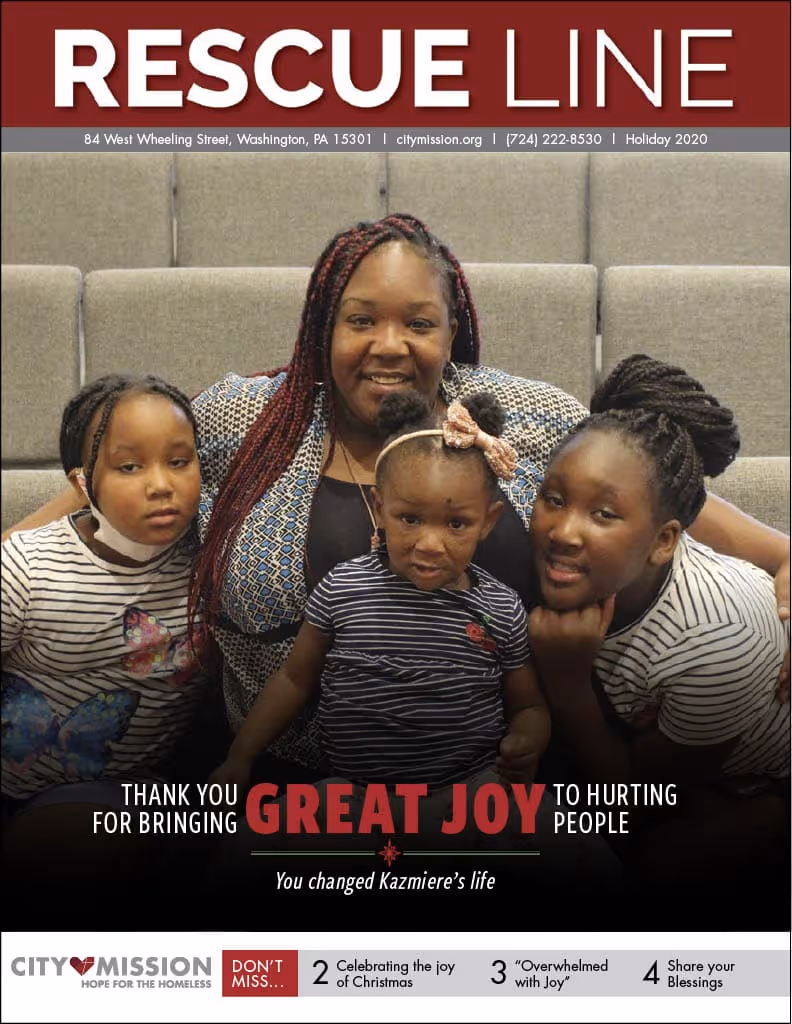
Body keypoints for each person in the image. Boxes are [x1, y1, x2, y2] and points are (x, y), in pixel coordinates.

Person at [4, 215, 790, 771]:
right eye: (360, 321)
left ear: (453, 331)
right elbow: (112, 474)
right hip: (287, 778)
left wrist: (779, 588)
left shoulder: (523, 416)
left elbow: (672, 506)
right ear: (323, 327)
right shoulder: (249, 417)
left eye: (418, 323)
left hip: (488, 775)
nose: (389, 346)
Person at [527, 354, 789, 926]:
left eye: (602, 514)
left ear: (664, 540)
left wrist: (568, 686)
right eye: (553, 499)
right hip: (661, 746)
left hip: (751, 780)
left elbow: (639, 800)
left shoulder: (716, 640)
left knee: (643, 874)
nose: (563, 531)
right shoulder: (629, 518)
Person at [211, 390, 549, 811]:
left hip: (470, 794)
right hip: (354, 797)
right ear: (379, 507)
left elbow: (530, 706)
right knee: (249, 842)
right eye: (410, 519)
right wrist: (241, 756)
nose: (429, 544)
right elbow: (294, 679)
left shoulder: (500, 609)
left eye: (456, 524)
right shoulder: (342, 589)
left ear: (488, 522)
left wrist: (527, 741)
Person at [1, 374, 209, 907]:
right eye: (129, 467)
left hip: (135, 794)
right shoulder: (28, 567)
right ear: (82, 481)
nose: (161, 485)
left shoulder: (215, 555)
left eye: (179, 461)